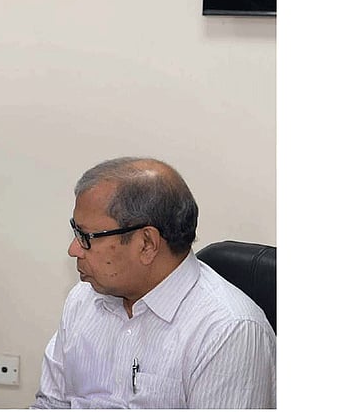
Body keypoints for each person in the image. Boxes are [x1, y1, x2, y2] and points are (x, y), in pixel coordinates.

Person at [33, 157, 275, 408]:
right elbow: (51, 404)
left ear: (147, 243)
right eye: (75, 232)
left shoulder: (228, 331)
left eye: (86, 236)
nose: (74, 250)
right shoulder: (84, 298)